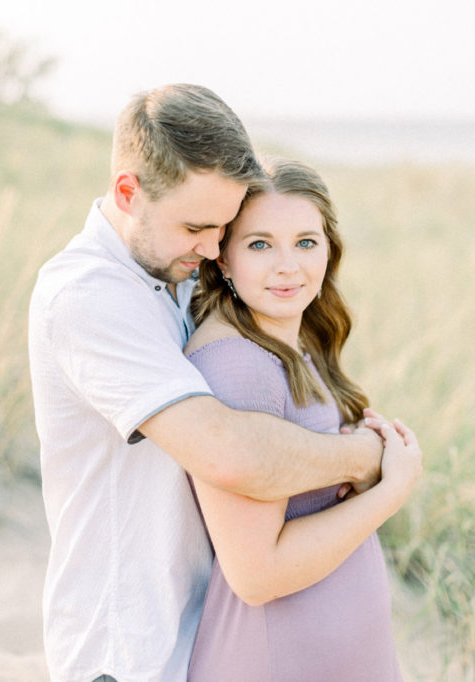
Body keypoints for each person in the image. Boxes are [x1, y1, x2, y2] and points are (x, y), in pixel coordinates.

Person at [27, 84, 389, 681]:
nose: (214, 246)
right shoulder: (87, 298)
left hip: (193, 631)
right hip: (128, 651)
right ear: (128, 192)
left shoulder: (171, 266)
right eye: (199, 226)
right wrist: (368, 461)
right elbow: (231, 453)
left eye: (224, 227)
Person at [184, 158, 420, 679]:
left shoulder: (289, 340)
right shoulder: (239, 366)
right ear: (223, 258)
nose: (288, 266)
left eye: (306, 242)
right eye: (260, 244)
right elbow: (256, 573)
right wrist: (388, 492)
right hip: (279, 660)